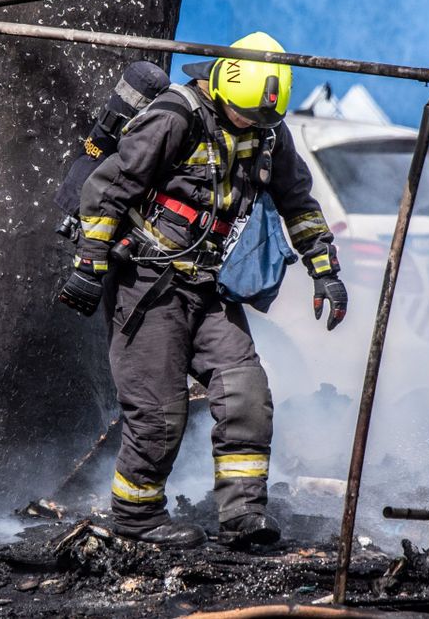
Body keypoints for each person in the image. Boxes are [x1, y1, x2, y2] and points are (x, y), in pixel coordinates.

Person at [57, 32, 348, 549]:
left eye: (261, 120)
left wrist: (325, 270)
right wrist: (89, 265)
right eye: (244, 116)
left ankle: (243, 517)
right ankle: (137, 517)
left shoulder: (269, 132)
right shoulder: (176, 117)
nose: (252, 127)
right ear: (222, 88)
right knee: (159, 412)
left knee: (246, 394)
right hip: (148, 282)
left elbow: (298, 203)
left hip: (208, 287)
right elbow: (106, 189)